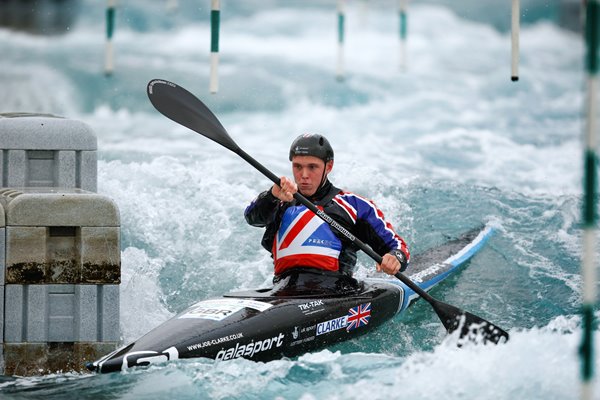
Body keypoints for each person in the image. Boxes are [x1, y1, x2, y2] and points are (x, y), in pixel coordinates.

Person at [244, 133, 410, 290]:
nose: (304, 175)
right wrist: (271, 196)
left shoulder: (353, 205)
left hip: (336, 292)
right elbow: (251, 217)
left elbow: (397, 246)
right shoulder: (279, 201)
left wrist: (395, 258)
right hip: (283, 291)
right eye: (297, 167)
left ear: (328, 166)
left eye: (312, 167)